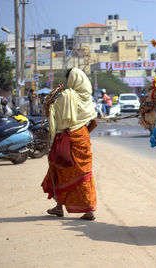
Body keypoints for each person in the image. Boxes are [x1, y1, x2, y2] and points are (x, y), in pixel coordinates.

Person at [41, 67, 98, 221]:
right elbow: (94, 122)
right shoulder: (87, 100)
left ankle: (59, 207)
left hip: (65, 138)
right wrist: (83, 134)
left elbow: (49, 113)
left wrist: (49, 101)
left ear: (71, 80)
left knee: (59, 169)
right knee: (84, 173)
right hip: (82, 138)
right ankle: (88, 210)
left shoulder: (65, 96)